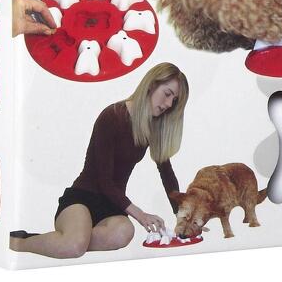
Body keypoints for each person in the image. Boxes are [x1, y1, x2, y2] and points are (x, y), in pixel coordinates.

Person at [10, 63, 189, 258]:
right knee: (73, 247)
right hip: (82, 198)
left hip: (112, 206)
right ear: (151, 85)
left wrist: (183, 216)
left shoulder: (154, 127)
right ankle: (20, 242)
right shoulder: (112, 115)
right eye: (167, 94)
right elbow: (105, 180)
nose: (169, 104)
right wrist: (140, 214)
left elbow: (167, 174)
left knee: (124, 233)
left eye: (174, 100)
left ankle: (69, 238)